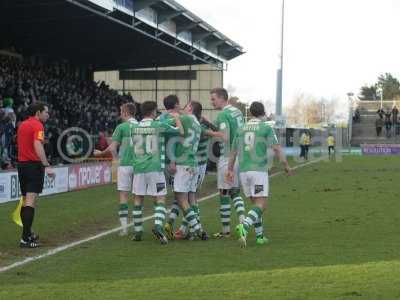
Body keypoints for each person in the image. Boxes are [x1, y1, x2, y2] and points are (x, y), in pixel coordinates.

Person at [226, 101, 292, 247]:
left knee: (255, 205)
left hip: (243, 172)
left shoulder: (241, 129)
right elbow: (277, 148)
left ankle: (260, 237)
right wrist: (286, 165)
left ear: (250, 113)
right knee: (262, 204)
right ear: (263, 112)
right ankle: (245, 225)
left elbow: (233, 152)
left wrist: (230, 170)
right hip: (258, 171)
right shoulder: (265, 127)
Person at [130, 101, 183, 244]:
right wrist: (177, 118)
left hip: (139, 168)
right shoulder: (158, 125)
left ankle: (138, 232)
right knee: (160, 198)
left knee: (138, 199)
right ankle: (158, 226)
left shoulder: (134, 128)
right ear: (153, 112)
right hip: (155, 168)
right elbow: (178, 131)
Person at [94, 103, 137, 236]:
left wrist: (100, 153)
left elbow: (112, 147)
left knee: (123, 195)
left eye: (120, 111)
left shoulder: (122, 127)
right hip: (139, 165)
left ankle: (124, 228)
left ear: (125, 112)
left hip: (124, 164)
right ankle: (137, 227)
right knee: (137, 195)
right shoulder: (141, 126)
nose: (119, 114)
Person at [17, 102, 55, 248]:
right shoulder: (38, 125)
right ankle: (25, 238)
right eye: (46, 112)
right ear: (38, 113)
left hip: (22, 165)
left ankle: (29, 232)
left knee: (26, 200)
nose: (48, 115)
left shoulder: (22, 125)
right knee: (31, 202)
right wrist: (46, 164)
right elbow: (37, 145)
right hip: (33, 166)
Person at [210, 87, 246, 238]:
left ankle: (227, 231)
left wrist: (209, 133)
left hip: (228, 157)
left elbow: (225, 136)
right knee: (235, 191)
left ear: (222, 98)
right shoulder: (237, 111)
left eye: (213, 99)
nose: (212, 102)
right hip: (241, 156)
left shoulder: (223, 114)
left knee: (224, 193)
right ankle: (244, 223)